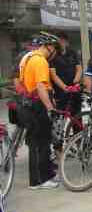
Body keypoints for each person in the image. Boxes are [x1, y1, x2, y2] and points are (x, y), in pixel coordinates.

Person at [16, 32, 61, 189]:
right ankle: (39, 181)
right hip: (37, 105)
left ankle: (46, 175)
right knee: (40, 143)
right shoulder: (41, 61)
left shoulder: (27, 58)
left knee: (39, 141)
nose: (55, 53)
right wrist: (50, 107)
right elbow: (41, 86)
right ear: (49, 47)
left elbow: (21, 81)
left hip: (27, 104)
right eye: (55, 49)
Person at [50, 31, 82, 114]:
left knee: (77, 115)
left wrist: (76, 81)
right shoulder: (53, 55)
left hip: (74, 89)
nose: (61, 43)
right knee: (60, 114)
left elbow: (79, 68)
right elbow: (53, 75)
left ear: (67, 42)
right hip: (60, 91)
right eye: (59, 41)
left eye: (63, 41)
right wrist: (65, 87)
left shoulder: (73, 53)